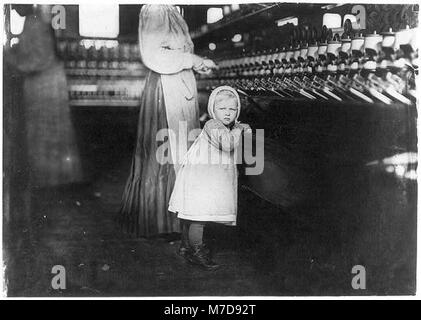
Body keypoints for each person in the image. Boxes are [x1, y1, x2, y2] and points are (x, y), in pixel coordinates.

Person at [119, 4, 216, 237]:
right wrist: (192, 59)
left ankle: (176, 220)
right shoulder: (156, 8)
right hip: (166, 89)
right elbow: (153, 55)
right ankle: (163, 223)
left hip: (177, 85)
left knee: (179, 149)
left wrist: (198, 63)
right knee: (169, 150)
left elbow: (173, 51)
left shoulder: (171, 9)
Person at [168, 86, 251, 269]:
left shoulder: (224, 125)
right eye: (223, 109)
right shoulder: (212, 124)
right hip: (201, 178)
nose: (228, 113)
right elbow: (228, 145)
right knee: (199, 216)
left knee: (194, 214)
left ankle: (186, 246)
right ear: (213, 109)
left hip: (205, 177)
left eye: (233, 109)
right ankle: (197, 253)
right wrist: (239, 129)